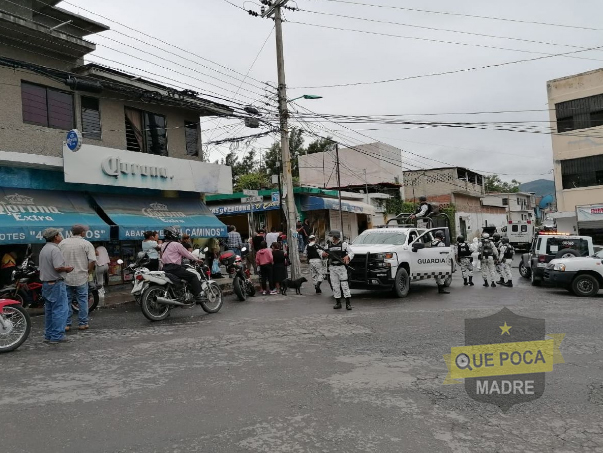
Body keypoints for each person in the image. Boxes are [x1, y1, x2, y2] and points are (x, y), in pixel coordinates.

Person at [59, 225, 96, 331]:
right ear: (82, 233)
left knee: (66, 300)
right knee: (83, 300)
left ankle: (67, 324)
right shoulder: (86, 243)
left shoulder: (63, 243)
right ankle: (82, 323)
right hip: (81, 276)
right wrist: (88, 271)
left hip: (66, 277)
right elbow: (92, 260)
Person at [39, 228, 73, 344]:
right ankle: (57, 335)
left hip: (46, 284)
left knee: (49, 310)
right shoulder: (55, 249)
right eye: (59, 234)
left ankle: (49, 335)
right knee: (60, 310)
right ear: (55, 237)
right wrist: (68, 269)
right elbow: (58, 267)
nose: (61, 235)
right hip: (56, 283)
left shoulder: (44, 249)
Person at [161, 226, 203, 305]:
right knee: (193, 276)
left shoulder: (164, 245)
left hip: (165, 267)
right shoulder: (177, 244)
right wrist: (197, 259)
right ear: (174, 234)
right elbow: (187, 254)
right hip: (175, 268)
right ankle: (199, 295)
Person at [322, 230, 354, 310]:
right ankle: (338, 303)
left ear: (335, 237)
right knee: (335, 286)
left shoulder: (343, 244)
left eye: (332, 237)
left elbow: (351, 253)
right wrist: (323, 254)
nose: (331, 238)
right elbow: (322, 253)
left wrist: (348, 257)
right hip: (332, 267)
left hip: (341, 267)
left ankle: (348, 304)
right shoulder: (328, 245)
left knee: (344, 285)